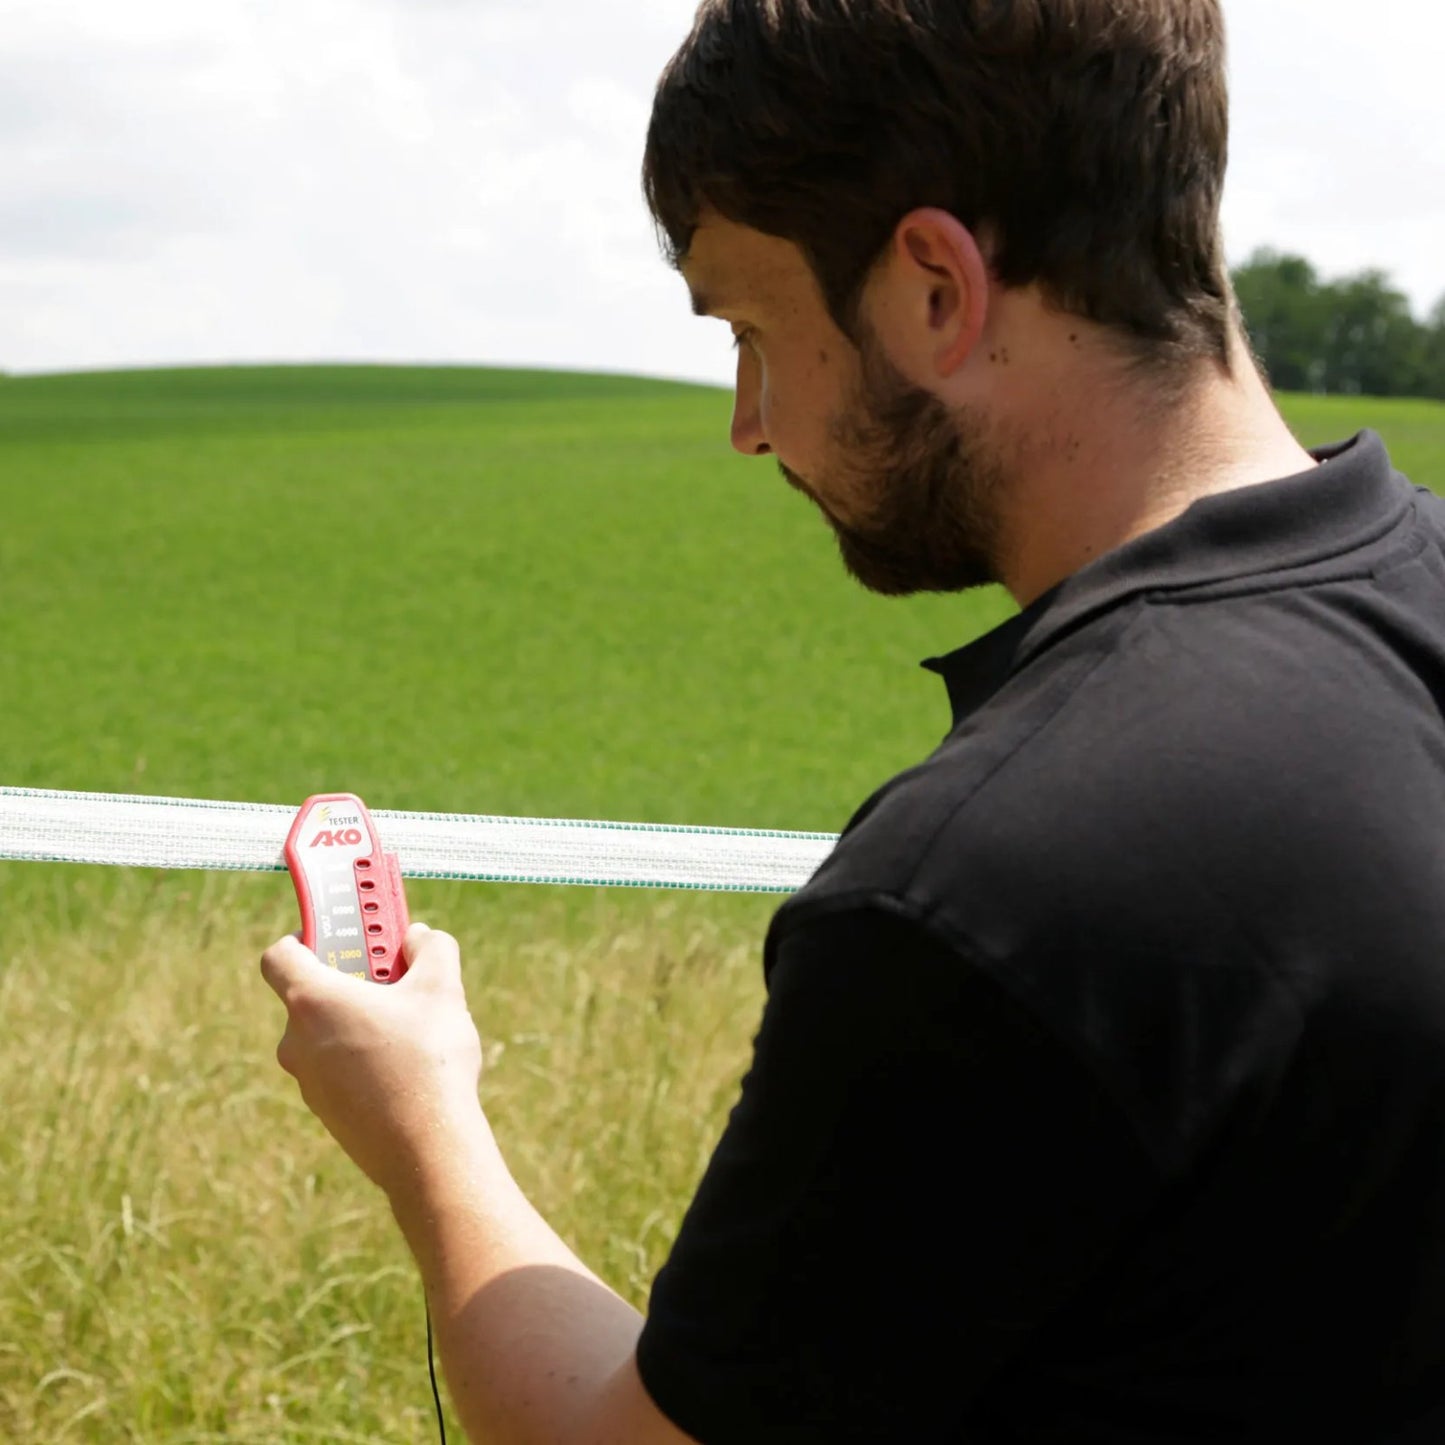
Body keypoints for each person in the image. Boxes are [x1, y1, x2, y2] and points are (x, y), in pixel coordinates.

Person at [260, 1, 1445, 1440]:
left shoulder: (1003, 887)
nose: (747, 423)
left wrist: (421, 1122)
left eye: (755, 328)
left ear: (937, 287)